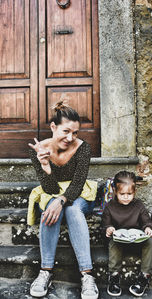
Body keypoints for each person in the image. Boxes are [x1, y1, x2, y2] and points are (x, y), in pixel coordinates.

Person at [27, 100, 99, 299]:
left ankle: (87, 275)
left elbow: (77, 185)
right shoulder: (39, 150)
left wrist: (61, 200)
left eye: (75, 133)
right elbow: (49, 189)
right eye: (66, 131)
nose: (70, 137)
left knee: (72, 209)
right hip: (53, 192)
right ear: (53, 127)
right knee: (50, 208)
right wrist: (46, 168)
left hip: (80, 193)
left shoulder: (83, 149)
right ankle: (45, 271)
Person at [101, 170, 152, 297]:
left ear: (134, 192)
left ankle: (144, 277)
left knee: (151, 241)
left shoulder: (138, 205)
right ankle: (114, 277)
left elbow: (146, 221)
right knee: (113, 241)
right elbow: (105, 225)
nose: (126, 197)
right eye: (122, 194)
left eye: (129, 194)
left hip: (136, 242)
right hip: (118, 243)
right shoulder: (110, 207)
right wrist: (109, 229)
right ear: (115, 191)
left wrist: (148, 228)